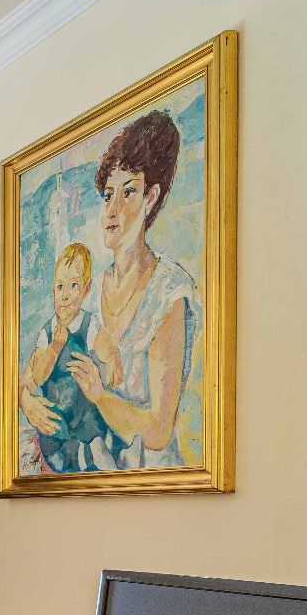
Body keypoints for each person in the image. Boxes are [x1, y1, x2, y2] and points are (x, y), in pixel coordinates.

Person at [62, 109, 200, 470]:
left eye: (128, 193)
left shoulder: (169, 292)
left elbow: (158, 430)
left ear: (150, 198)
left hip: (151, 479)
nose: (112, 210)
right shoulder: (89, 290)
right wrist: (28, 400)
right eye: (108, 195)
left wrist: (99, 396)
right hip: (95, 472)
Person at [19, 242, 114, 472]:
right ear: (53, 290)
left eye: (73, 286)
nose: (65, 295)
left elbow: (107, 350)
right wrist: (54, 348)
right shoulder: (47, 332)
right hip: (57, 411)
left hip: (83, 410)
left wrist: (112, 363)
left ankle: (94, 451)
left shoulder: (89, 325)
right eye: (60, 286)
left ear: (86, 289)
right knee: (52, 437)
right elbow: (38, 377)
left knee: (93, 427)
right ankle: (77, 457)